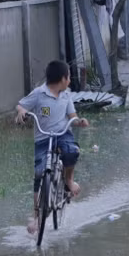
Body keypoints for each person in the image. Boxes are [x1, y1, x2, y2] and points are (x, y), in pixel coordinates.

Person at [16, 60, 89, 235]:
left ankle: (68, 180)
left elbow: (73, 116)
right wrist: (21, 112)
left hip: (63, 135)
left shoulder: (66, 96)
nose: (70, 80)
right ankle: (36, 217)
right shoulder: (39, 93)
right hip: (43, 139)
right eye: (69, 77)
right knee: (39, 173)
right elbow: (21, 105)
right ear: (62, 78)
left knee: (72, 152)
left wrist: (79, 122)